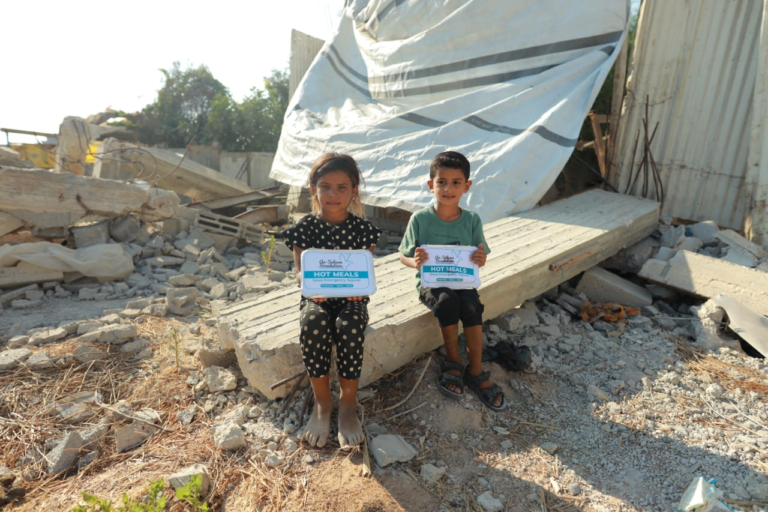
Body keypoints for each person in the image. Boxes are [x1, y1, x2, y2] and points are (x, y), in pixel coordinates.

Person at [282, 153, 382, 448]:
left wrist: (355, 290)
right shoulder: (304, 229)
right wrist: (305, 280)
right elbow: (300, 272)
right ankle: (323, 404)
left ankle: (348, 404)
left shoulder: (364, 231)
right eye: (325, 186)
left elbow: (362, 274)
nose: (333, 194)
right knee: (313, 321)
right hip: (317, 298)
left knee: (350, 323)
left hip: (351, 299)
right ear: (313, 189)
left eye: (341, 187)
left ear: (354, 191)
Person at [398, 151, 506, 411]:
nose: (448, 188)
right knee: (446, 302)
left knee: (471, 305)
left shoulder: (471, 220)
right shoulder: (420, 219)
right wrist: (416, 261)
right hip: (431, 282)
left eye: (456, 182)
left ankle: (476, 370)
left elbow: (479, 257)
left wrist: (480, 259)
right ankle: (454, 362)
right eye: (441, 182)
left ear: (466, 186)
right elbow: (403, 256)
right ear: (430, 185)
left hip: (462, 281)